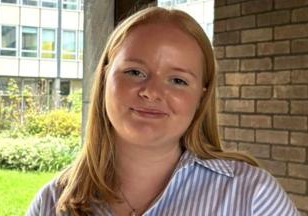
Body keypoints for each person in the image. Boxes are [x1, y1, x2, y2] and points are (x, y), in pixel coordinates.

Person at [27, 6, 300, 216]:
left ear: (200, 97)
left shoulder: (251, 196)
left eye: (178, 80)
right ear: (104, 79)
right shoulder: (52, 202)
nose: (152, 91)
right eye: (135, 72)